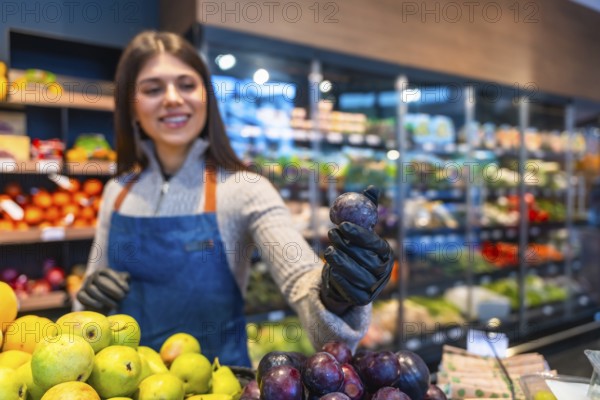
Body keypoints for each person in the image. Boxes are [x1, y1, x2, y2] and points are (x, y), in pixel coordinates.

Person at [75, 31, 394, 367]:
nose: (172, 98)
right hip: (127, 383)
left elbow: (303, 280)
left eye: (186, 85)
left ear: (206, 98)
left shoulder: (245, 189)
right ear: (132, 106)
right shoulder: (118, 191)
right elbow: (85, 310)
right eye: (153, 89)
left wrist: (337, 294)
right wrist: (92, 306)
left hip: (220, 383)